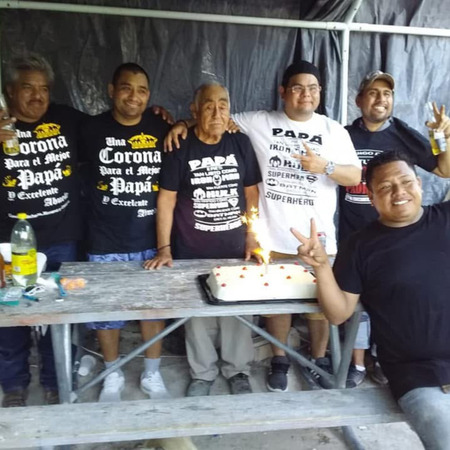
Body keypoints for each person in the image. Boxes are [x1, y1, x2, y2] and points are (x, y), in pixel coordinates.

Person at [165, 61, 361, 392]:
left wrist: (324, 166)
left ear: (320, 92)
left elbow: (354, 176)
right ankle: (279, 360)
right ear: (283, 92)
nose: (306, 94)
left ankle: (318, 360)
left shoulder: (334, 131)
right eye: (297, 87)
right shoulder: (259, 122)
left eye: (313, 88)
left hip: (317, 241)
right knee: (275, 306)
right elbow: (214, 116)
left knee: (318, 309)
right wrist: (182, 123)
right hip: (272, 238)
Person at [293, 150, 450, 450]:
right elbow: (338, 313)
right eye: (386, 187)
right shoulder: (360, 245)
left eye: (406, 182)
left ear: (419, 184)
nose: (399, 192)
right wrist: (322, 266)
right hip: (418, 375)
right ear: (371, 197)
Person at [145, 83, 262, 397]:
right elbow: (166, 200)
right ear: (194, 111)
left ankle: (238, 370)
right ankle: (202, 373)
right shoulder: (180, 145)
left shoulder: (240, 142)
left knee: (237, 312)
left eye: (223, 105)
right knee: (197, 317)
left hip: (234, 249)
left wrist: (252, 236)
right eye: (209, 106)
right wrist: (164, 248)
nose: (217, 112)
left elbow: (251, 193)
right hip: (191, 249)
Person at [341, 71, 450, 387]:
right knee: (357, 309)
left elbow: (444, 169)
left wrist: (441, 137)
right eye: (373, 93)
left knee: (395, 307)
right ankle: (357, 363)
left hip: (397, 237)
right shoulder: (342, 135)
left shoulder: (403, 134)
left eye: (386, 93)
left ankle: (382, 359)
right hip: (353, 236)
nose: (380, 99)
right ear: (359, 100)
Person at [80, 63, 171, 402]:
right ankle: (111, 373)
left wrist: (183, 123)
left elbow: (196, 130)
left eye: (142, 90)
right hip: (104, 238)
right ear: (111, 90)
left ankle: (152, 373)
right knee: (107, 313)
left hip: (151, 238)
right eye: (126, 88)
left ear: (149, 95)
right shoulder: (89, 129)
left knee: (152, 310)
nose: (134, 96)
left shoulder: (161, 127)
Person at [0, 54, 85, 407]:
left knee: (60, 315)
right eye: (28, 88)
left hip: (61, 239)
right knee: (10, 316)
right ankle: (13, 386)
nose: (38, 96)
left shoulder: (66, 119)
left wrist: (165, 117)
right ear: (9, 91)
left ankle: (56, 382)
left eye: (44, 89)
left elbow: (116, 125)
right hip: (10, 244)